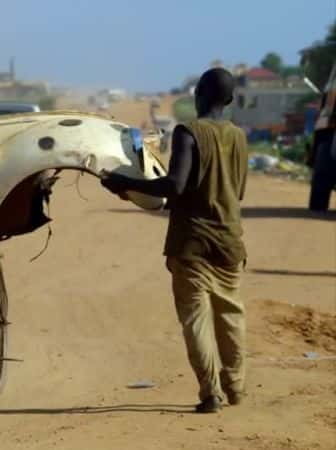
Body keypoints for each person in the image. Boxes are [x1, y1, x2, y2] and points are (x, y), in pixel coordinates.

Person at [100, 68, 248, 414]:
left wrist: (126, 182)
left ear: (199, 96)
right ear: (227, 101)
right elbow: (237, 191)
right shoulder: (239, 137)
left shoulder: (189, 133)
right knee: (231, 315)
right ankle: (237, 386)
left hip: (192, 244)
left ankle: (211, 393)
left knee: (196, 319)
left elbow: (175, 185)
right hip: (230, 242)